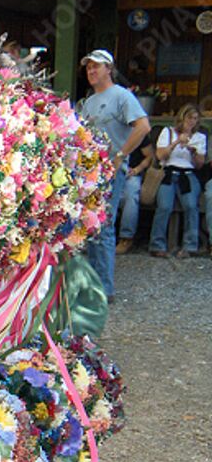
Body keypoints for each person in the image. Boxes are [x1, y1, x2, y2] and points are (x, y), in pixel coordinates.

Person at [78, 49, 151, 300]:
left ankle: (105, 289)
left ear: (109, 69)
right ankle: (94, 284)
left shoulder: (121, 96)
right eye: (88, 67)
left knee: (104, 226)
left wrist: (120, 155)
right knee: (91, 227)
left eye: (96, 66)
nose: (91, 71)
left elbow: (143, 127)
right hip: (89, 174)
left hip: (110, 172)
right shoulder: (89, 101)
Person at [149, 103, 206, 258]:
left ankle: (189, 245)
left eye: (195, 119)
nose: (192, 122)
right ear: (182, 117)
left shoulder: (200, 137)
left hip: (188, 174)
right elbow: (161, 156)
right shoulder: (167, 132)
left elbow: (200, 164)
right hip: (168, 173)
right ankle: (157, 245)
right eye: (189, 118)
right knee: (164, 206)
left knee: (191, 205)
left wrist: (192, 151)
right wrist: (175, 143)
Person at [115, 132, 154, 254]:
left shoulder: (138, 132)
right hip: (110, 170)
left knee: (131, 196)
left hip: (131, 172)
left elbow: (149, 156)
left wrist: (138, 169)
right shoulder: (112, 130)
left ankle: (126, 237)